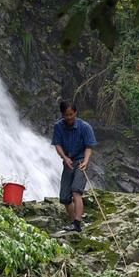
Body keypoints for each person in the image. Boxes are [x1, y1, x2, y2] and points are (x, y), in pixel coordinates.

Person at [51, 99, 97, 233]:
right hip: (68, 162)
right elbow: (57, 144)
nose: (69, 117)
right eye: (66, 115)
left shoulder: (85, 127)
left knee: (76, 191)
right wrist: (64, 158)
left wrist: (85, 162)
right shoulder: (58, 126)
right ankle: (74, 223)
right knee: (65, 197)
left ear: (75, 113)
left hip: (81, 161)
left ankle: (77, 223)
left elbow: (89, 147)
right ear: (62, 114)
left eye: (71, 114)